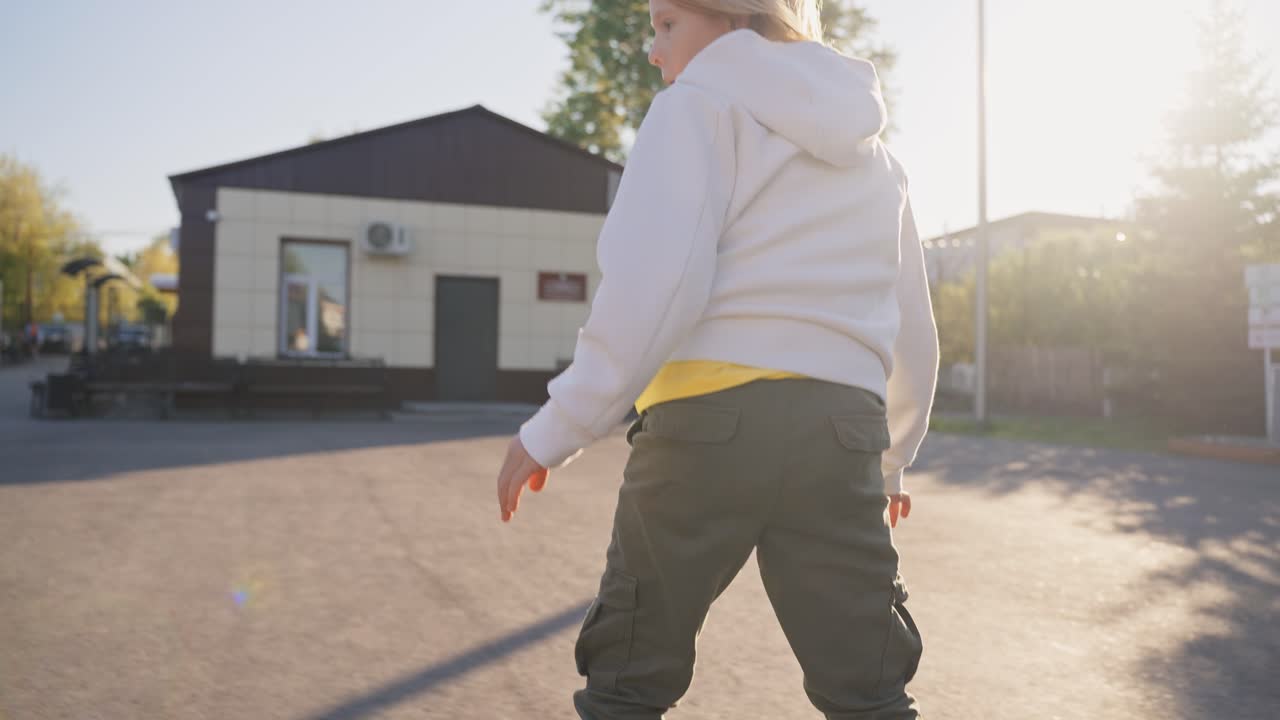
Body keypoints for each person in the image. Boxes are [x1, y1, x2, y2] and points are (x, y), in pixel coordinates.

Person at [495, 0, 939, 717]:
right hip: (840, 433)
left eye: (667, 24)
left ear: (735, 20)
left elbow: (657, 285)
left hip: (705, 428)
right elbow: (911, 325)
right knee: (869, 687)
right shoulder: (876, 157)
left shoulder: (693, 110)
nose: (652, 48)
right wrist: (889, 461)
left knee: (628, 677)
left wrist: (559, 424)